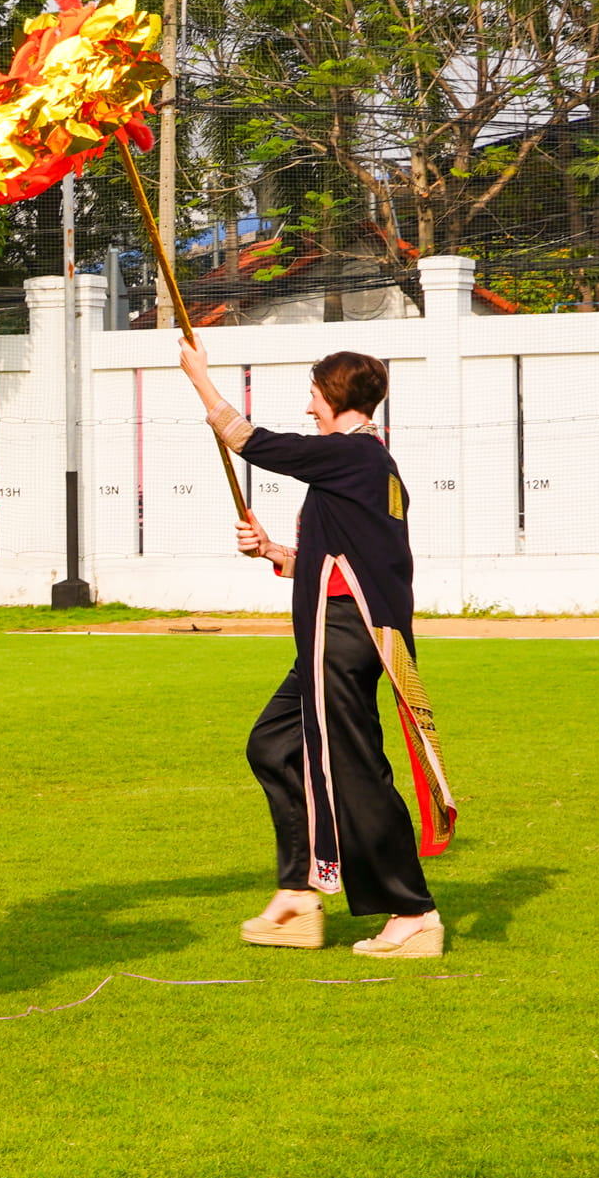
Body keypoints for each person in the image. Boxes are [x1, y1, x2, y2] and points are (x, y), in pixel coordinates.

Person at [180, 339, 456, 958]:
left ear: (334, 398)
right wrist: (277, 552)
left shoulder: (353, 455)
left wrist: (200, 379)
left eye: (313, 395)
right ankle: (301, 893)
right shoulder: (362, 467)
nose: (308, 408)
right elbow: (344, 559)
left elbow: (255, 442)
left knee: (352, 768)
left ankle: (412, 911)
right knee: (274, 746)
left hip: (341, 637)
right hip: (330, 635)